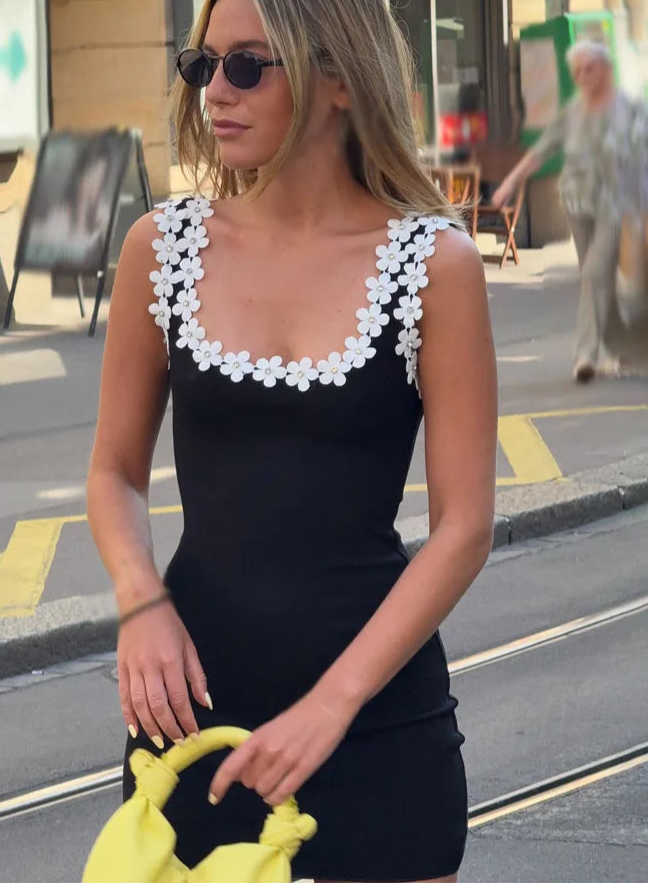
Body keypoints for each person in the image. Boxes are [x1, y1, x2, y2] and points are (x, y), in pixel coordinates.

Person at [87, 0, 497, 881]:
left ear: (340, 79)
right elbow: (114, 473)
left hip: (376, 717)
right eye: (202, 69)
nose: (215, 95)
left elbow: (464, 526)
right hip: (194, 718)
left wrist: (331, 707)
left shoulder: (434, 266)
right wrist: (139, 601)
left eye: (246, 67)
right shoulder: (160, 249)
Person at [493, 40, 648, 383]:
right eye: (576, 71)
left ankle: (585, 356)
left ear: (606, 70)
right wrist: (509, 184)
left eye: (588, 69)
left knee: (595, 273)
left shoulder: (631, 110)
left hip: (616, 205)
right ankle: (625, 348)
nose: (582, 77)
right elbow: (541, 151)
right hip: (577, 203)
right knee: (596, 280)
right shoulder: (572, 112)